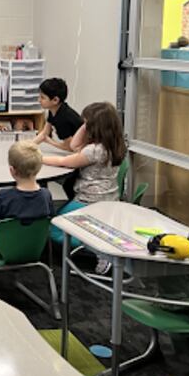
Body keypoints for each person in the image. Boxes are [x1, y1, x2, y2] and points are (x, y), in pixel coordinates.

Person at [43, 101, 126, 273]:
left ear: (94, 127)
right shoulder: (115, 145)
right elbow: (74, 146)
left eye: (86, 123)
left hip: (87, 202)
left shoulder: (93, 151)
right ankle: (99, 239)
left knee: (53, 227)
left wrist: (37, 158)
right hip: (110, 200)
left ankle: (98, 248)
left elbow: (64, 161)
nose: (83, 126)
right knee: (64, 219)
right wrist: (87, 125)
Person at [0, 141, 54, 254]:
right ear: (39, 168)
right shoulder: (46, 194)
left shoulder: (4, 196)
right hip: (34, 247)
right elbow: (49, 217)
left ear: (12, 170)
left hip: (2, 247)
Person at [32, 78, 84, 200]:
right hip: (74, 150)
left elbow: (69, 147)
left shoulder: (63, 119)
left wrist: (50, 142)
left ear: (55, 100)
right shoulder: (53, 110)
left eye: (42, 97)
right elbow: (44, 133)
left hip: (80, 154)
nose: (39, 100)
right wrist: (29, 145)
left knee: (68, 185)